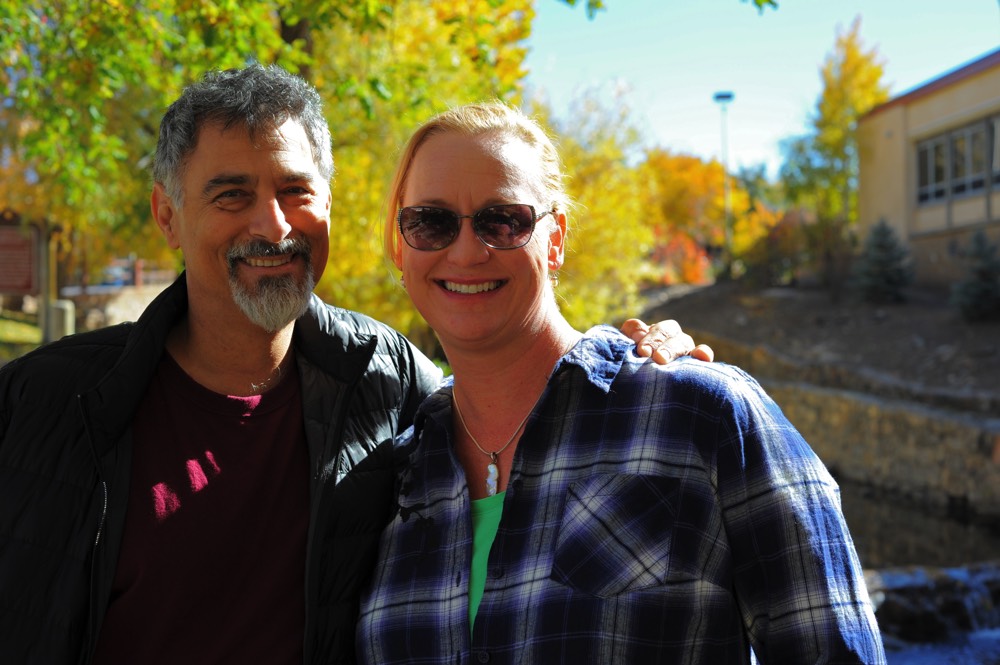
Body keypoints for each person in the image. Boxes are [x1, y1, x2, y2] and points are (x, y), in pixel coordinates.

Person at [0, 65, 705, 664]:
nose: (272, 226)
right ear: (167, 213)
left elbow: (517, 402)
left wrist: (634, 354)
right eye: (231, 194)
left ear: (329, 206)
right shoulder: (45, 403)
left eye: (296, 191)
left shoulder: (384, 380)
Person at [355, 101, 886, 664]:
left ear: (554, 238)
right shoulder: (393, 477)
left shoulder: (701, 415)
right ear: (400, 242)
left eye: (502, 220)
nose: (465, 250)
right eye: (430, 222)